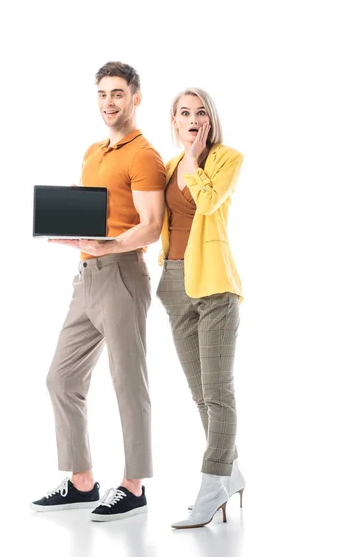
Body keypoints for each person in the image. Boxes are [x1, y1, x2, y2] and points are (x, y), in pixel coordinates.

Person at [31, 62, 166, 522]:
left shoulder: (143, 155)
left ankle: (133, 486)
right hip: (86, 278)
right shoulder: (94, 151)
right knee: (62, 378)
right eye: (103, 94)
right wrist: (75, 210)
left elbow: (150, 227)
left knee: (129, 383)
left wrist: (109, 243)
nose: (109, 102)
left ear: (136, 98)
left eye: (118, 94)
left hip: (122, 276)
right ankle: (83, 481)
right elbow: (105, 209)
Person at [156, 87, 246, 529]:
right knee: (199, 394)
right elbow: (154, 219)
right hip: (174, 283)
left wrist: (194, 161)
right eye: (184, 112)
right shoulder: (169, 166)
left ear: (210, 120)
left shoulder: (227, 158)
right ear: (174, 121)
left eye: (200, 112)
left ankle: (213, 486)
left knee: (218, 392)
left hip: (213, 286)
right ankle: (232, 472)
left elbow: (209, 202)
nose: (192, 118)